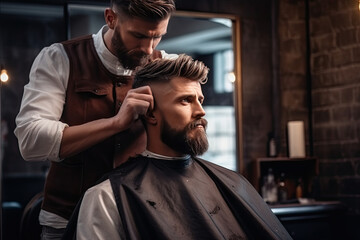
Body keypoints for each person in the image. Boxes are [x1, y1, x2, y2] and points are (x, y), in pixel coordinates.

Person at [65, 54, 292, 240]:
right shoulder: (107, 198)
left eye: (200, 100)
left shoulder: (234, 182)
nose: (201, 111)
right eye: (185, 100)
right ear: (151, 112)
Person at [14, 0, 176, 238]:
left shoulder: (167, 66)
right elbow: (30, 140)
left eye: (157, 37)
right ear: (111, 18)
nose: (149, 49)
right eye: (138, 36)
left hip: (141, 219)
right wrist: (115, 123)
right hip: (68, 222)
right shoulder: (59, 58)